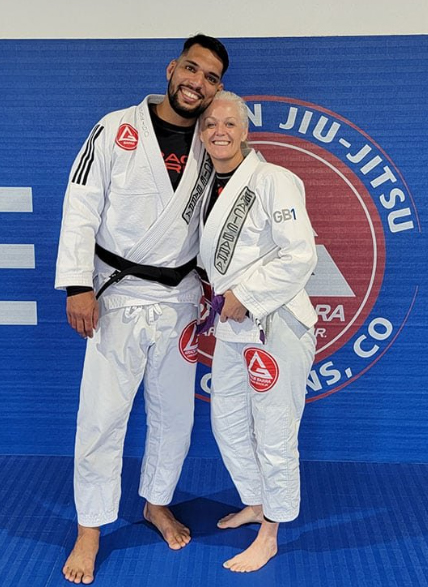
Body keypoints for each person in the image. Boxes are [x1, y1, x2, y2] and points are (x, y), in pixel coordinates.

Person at [55, 34, 228, 584]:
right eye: (192, 69)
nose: (198, 83)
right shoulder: (115, 128)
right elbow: (80, 207)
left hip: (179, 300)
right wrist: (76, 285)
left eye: (211, 78)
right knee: (103, 417)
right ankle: (91, 526)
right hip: (117, 295)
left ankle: (156, 501)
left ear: (217, 89)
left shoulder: (212, 141)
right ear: (173, 67)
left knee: (175, 417)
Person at [198, 91, 317, 572]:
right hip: (232, 327)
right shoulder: (206, 186)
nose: (219, 131)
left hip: (275, 323)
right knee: (225, 423)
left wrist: (247, 296)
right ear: (201, 133)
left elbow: (301, 255)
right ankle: (256, 501)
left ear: (246, 131)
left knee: (273, 431)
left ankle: (271, 532)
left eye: (229, 123)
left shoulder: (274, 180)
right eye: (209, 124)